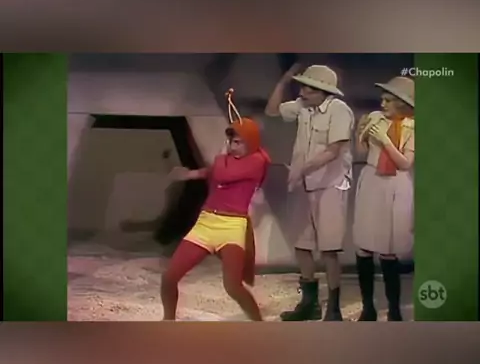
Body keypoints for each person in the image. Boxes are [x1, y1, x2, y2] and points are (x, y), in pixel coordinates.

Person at [160, 91, 271, 321]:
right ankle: (168, 321)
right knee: (169, 277)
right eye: (231, 142)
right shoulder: (228, 161)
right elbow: (211, 173)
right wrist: (189, 174)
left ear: (250, 143)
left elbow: (221, 173)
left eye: (238, 142)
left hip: (232, 226)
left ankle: (259, 324)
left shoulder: (257, 161)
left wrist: (220, 156)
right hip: (206, 223)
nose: (232, 146)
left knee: (232, 286)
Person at [265, 64, 354, 321]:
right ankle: (309, 303)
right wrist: (283, 81)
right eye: (302, 86)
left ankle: (333, 308)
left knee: (329, 249)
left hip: (330, 185)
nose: (303, 92)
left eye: (309, 88)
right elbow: (272, 111)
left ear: (324, 92)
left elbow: (333, 150)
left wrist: (301, 169)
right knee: (302, 245)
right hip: (304, 185)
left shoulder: (339, 110)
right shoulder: (303, 106)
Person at [353, 76, 415, 321]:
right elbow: (362, 153)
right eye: (383, 99)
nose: (383, 103)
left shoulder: (411, 126)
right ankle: (367, 307)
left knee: (388, 251)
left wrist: (385, 139)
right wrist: (360, 135)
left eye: (388, 100)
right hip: (371, 181)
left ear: (401, 103)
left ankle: (394, 310)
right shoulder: (375, 118)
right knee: (363, 247)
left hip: (395, 185)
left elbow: (405, 163)